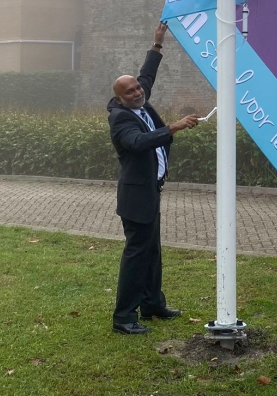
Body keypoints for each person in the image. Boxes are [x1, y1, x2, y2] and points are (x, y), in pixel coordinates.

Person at [109, 21, 199, 335]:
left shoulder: (140, 100)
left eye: (137, 89)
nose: (137, 92)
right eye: (130, 91)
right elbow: (137, 143)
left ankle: (152, 304)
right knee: (137, 255)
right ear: (119, 99)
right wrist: (172, 127)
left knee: (153, 251)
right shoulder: (121, 119)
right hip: (136, 197)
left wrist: (157, 44)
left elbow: (146, 76)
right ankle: (124, 317)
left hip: (151, 190)